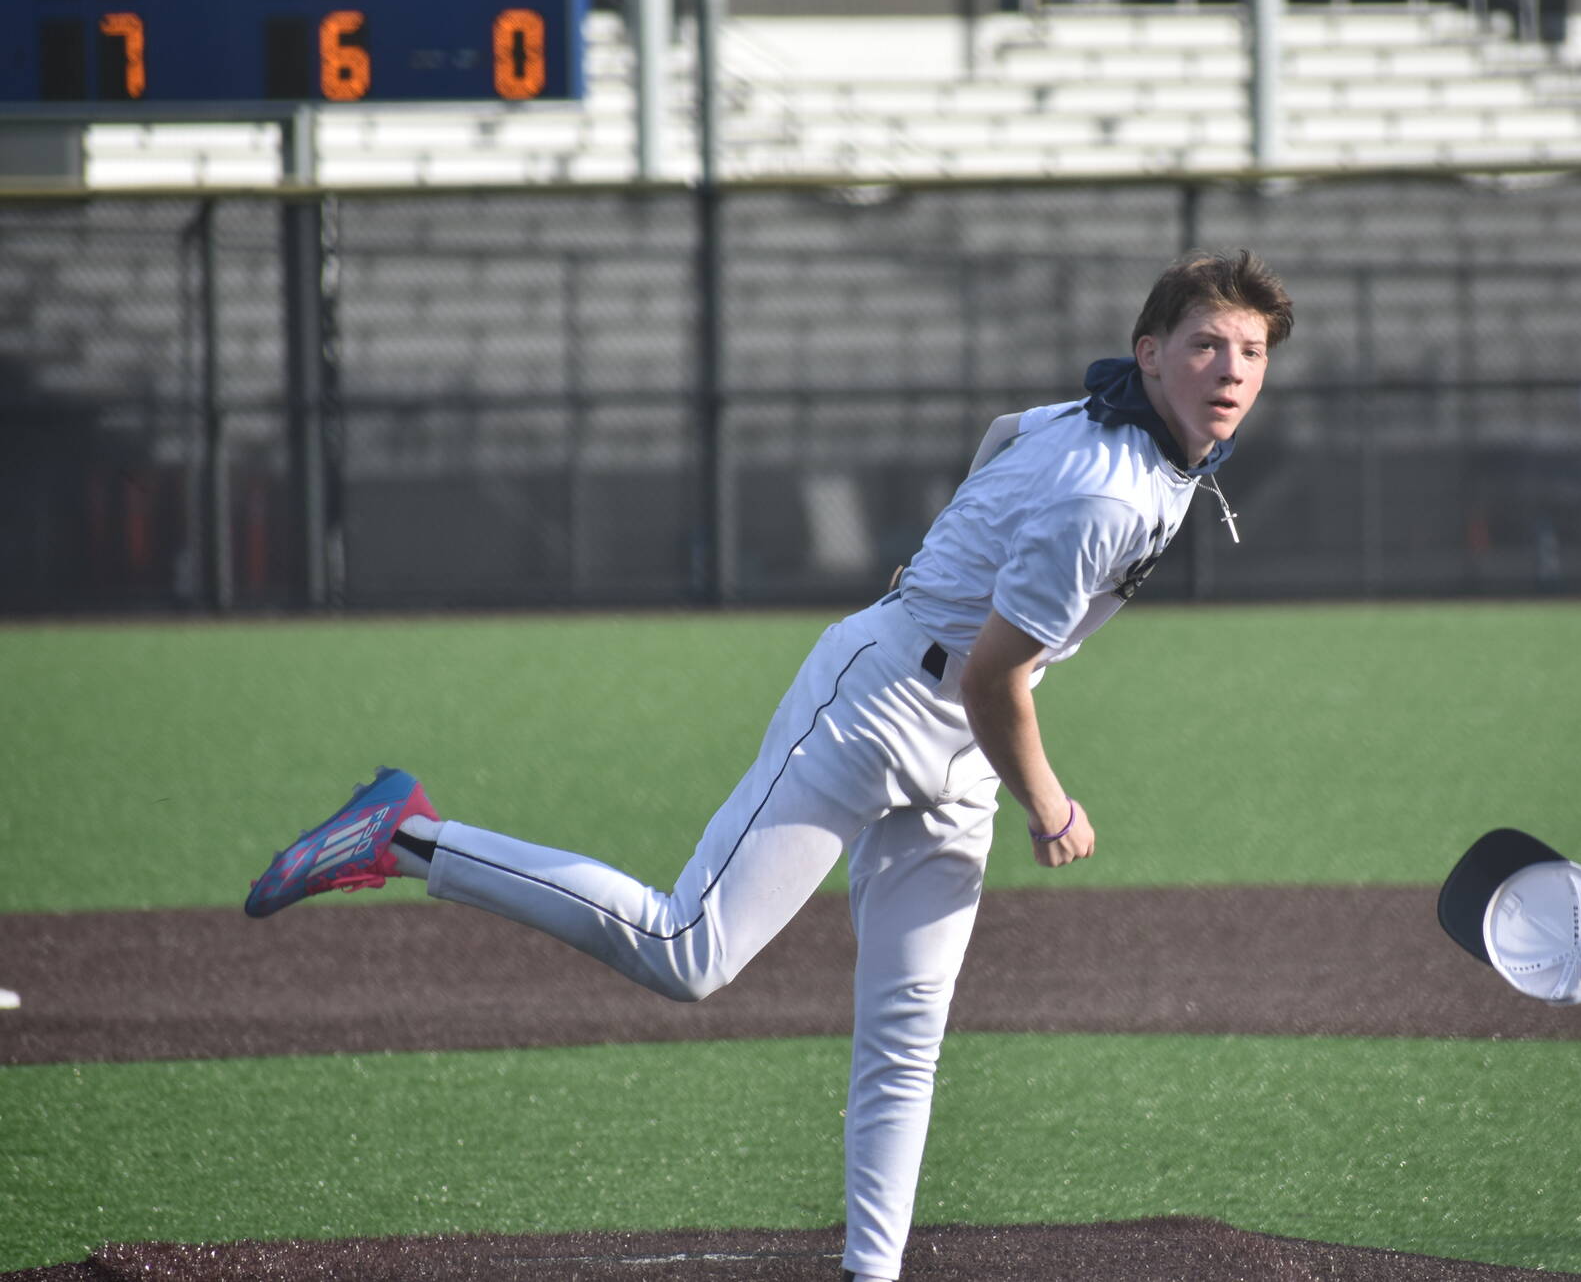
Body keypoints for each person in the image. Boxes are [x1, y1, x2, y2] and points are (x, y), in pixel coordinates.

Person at [246, 248, 1294, 1282]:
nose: (1232, 369)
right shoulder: (1108, 493)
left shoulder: (1117, 427)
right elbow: (993, 680)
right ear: (1149, 353)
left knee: (907, 1032)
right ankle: (408, 835)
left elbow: (1005, 434)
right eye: (1206, 344)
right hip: (881, 704)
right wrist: (1051, 804)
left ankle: (870, 1273)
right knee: (686, 950)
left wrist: (957, 552)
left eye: (1250, 351)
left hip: (957, 741)